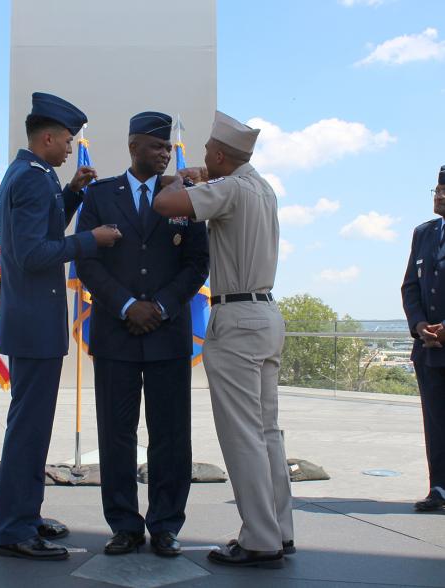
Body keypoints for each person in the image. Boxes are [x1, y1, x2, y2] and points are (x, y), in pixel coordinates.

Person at [153, 110, 294, 569]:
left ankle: (258, 538)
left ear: (217, 154)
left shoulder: (229, 188)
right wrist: (201, 178)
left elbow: (166, 206)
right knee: (268, 431)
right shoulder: (260, 187)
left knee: (242, 436)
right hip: (267, 312)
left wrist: (181, 181)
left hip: (236, 317)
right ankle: (279, 529)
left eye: (208, 154)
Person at [0, 92, 121, 560]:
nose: (71, 149)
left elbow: (44, 231)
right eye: (67, 141)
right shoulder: (29, 180)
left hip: (32, 320)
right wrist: (90, 240)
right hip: (33, 323)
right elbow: (32, 255)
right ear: (47, 137)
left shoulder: (36, 175)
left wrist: (69, 193)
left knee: (32, 426)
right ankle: (14, 529)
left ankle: (25, 514)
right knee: (28, 429)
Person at [75, 112, 209, 557]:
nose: (165, 153)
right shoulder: (99, 196)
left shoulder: (185, 199)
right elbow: (88, 261)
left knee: (171, 435)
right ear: (134, 146)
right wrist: (129, 305)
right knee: (117, 434)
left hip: (168, 335)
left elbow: (197, 263)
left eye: (168, 147)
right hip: (117, 333)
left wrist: (164, 305)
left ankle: (166, 525)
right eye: (157, 146)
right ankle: (125, 525)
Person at [402, 165, 445, 512]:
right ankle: (439, 489)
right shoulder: (424, 233)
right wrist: (419, 326)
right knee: (435, 420)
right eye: (436, 189)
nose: (440, 194)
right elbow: (411, 287)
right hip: (428, 347)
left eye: (444, 190)